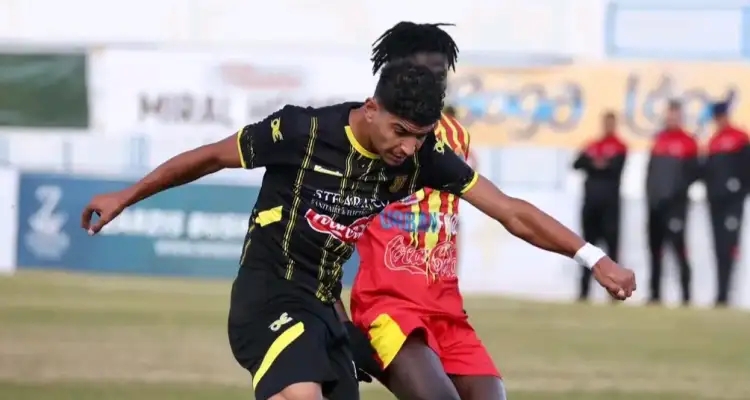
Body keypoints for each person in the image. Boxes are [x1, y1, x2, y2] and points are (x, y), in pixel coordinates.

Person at [81, 62, 636, 400]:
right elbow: (209, 157)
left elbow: (509, 210)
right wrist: (125, 196)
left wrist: (593, 257)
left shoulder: (421, 158)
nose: (407, 148)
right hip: (268, 294)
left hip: (328, 312)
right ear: (371, 109)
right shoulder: (301, 130)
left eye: (420, 136)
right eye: (400, 131)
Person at [339, 22, 633, 400]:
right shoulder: (365, 135)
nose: (436, 86)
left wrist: (594, 258)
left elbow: (510, 212)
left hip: (447, 312)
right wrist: (337, 322)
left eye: (441, 76)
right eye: (425, 74)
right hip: (388, 309)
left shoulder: (454, 137)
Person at [645, 100, 699, 306]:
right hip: (655, 206)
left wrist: (676, 194)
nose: (671, 119)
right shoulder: (659, 140)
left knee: (679, 250)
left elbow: (693, 174)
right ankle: (654, 294)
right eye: (669, 115)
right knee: (655, 251)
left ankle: (686, 296)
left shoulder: (688, 142)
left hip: (676, 207)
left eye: (675, 115)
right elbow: (650, 173)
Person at [572, 111, 627, 302]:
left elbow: (614, 168)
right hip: (591, 205)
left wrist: (594, 164)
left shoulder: (619, 146)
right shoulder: (593, 145)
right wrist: (597, 164)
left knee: (612, 250)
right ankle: (583, 292)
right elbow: (577, 164)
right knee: (586, 250)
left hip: (610, 206)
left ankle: (615, 292)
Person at [703, 101, 750, 307]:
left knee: (730, 246)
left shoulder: (739, 138)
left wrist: (740, 191)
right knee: (719, 247)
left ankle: (728, 293)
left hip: (732, 202)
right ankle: (721, 293)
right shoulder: (714, 141)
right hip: (716, 202)